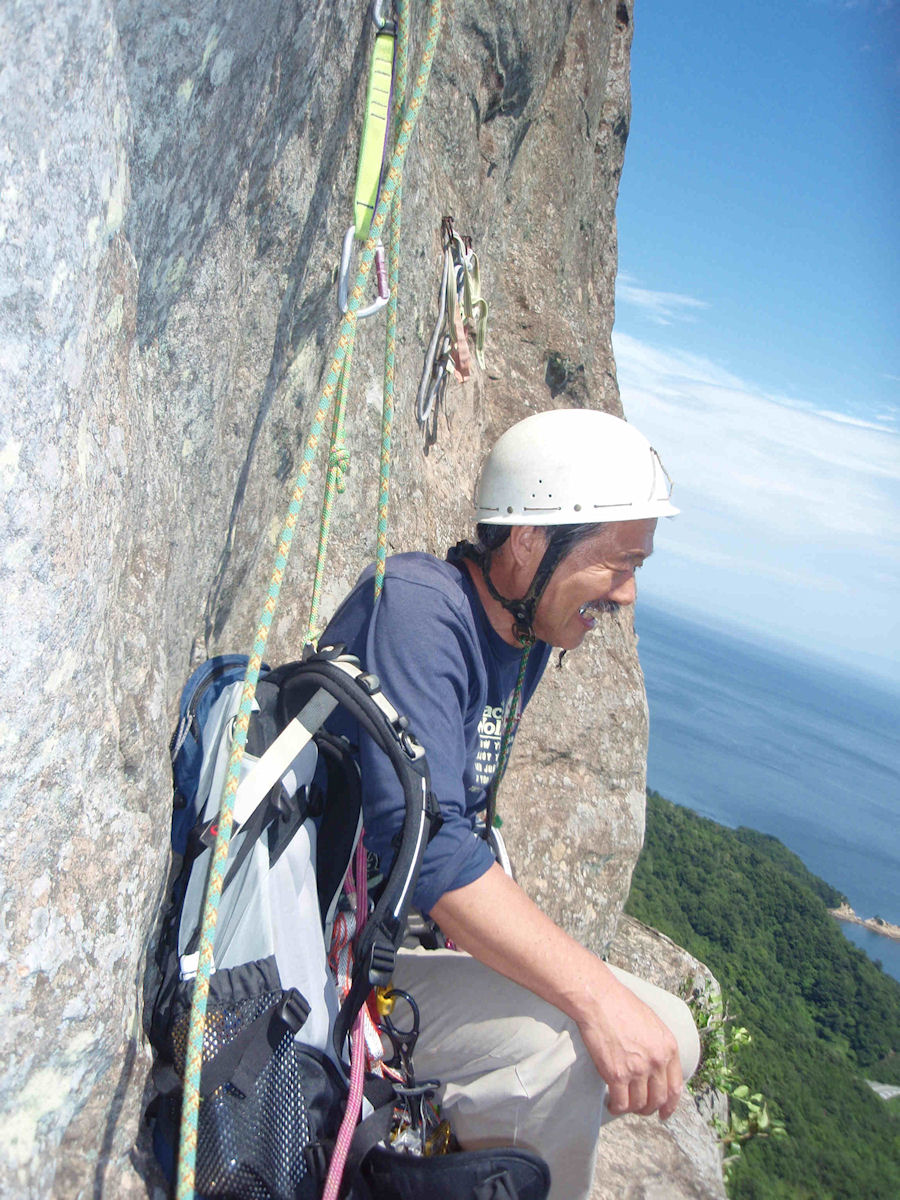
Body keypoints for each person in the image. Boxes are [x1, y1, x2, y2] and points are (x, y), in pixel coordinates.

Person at [321, 408, 700, 1200]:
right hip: (332, 965)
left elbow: (456, 826)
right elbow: (429, 854)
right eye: (618, 564)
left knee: (671, 1036)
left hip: (390, 942)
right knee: (570, 1043)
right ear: (530, 541)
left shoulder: (520, 642)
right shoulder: (417, 609)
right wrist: (594, 998)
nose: (628, 593)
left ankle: (463, 1147)